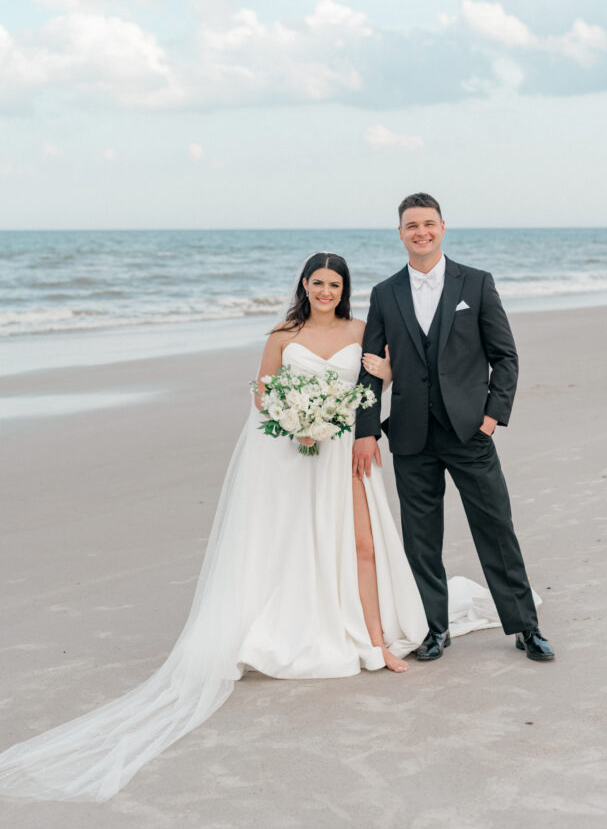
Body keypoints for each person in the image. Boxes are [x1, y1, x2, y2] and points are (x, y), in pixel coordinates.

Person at [0, 251, 506, 804]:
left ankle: (379, 642)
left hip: (345, 456)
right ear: (304, 284)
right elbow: (263, 394)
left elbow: (382, 382)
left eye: (335, 284)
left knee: (362, 544)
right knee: (293, 548)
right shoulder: (281, 334)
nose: (326, 291)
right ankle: (299, 623)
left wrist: (364, 408)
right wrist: (297, 419)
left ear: (345, 289)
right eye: (318, 282)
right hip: (294, 455)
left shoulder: (363, 330)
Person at [354, 195, 554, 663]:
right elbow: (370, 367)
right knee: (420, 538)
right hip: (409, 435)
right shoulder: (385, 294)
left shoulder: (477, 284)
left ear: (442, 227)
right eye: (410, 225)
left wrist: (491, 415)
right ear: (399, 233)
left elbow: (505, 356)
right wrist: (366, 430)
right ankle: (434, 629)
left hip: (469, 432)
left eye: (428, 224)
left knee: (495, 527)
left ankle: (526, 627)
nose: (420, 232)